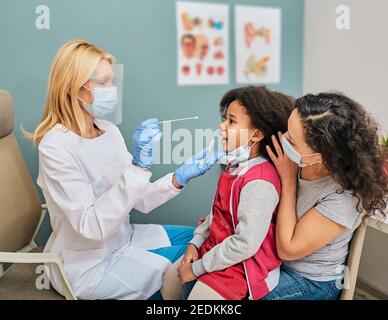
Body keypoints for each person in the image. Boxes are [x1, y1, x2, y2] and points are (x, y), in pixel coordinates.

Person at [24, 40, 222, 300]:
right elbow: (91, 226)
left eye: (112, 81)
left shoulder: (108, 130)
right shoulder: (55, 146)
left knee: (201, 236)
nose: (112, 89)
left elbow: (137, 198)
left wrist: (179, 178)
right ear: (73, 86)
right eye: (103, 82)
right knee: (198, 261)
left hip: (124, 238)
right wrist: (138, 167)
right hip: (89, 263)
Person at [161, 86, 294, 300]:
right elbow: (216, 212)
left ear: (257, 134)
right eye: (225, 119)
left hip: (243, 264)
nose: (222, 126)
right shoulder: (235, 165)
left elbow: (245, 244)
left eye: (231, 121)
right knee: (169, 282)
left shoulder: (260, 181)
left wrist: (196, 269)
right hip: (219, 248)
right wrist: (195, 243)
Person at [263, 92, 387, 300]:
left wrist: (289, 180)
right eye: (287, 130)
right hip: (274, 261)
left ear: (324, 155)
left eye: (291, 141)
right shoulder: (303, 160)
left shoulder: (343, 196)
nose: (283, 139)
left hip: (311, 281)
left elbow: (288, 249)